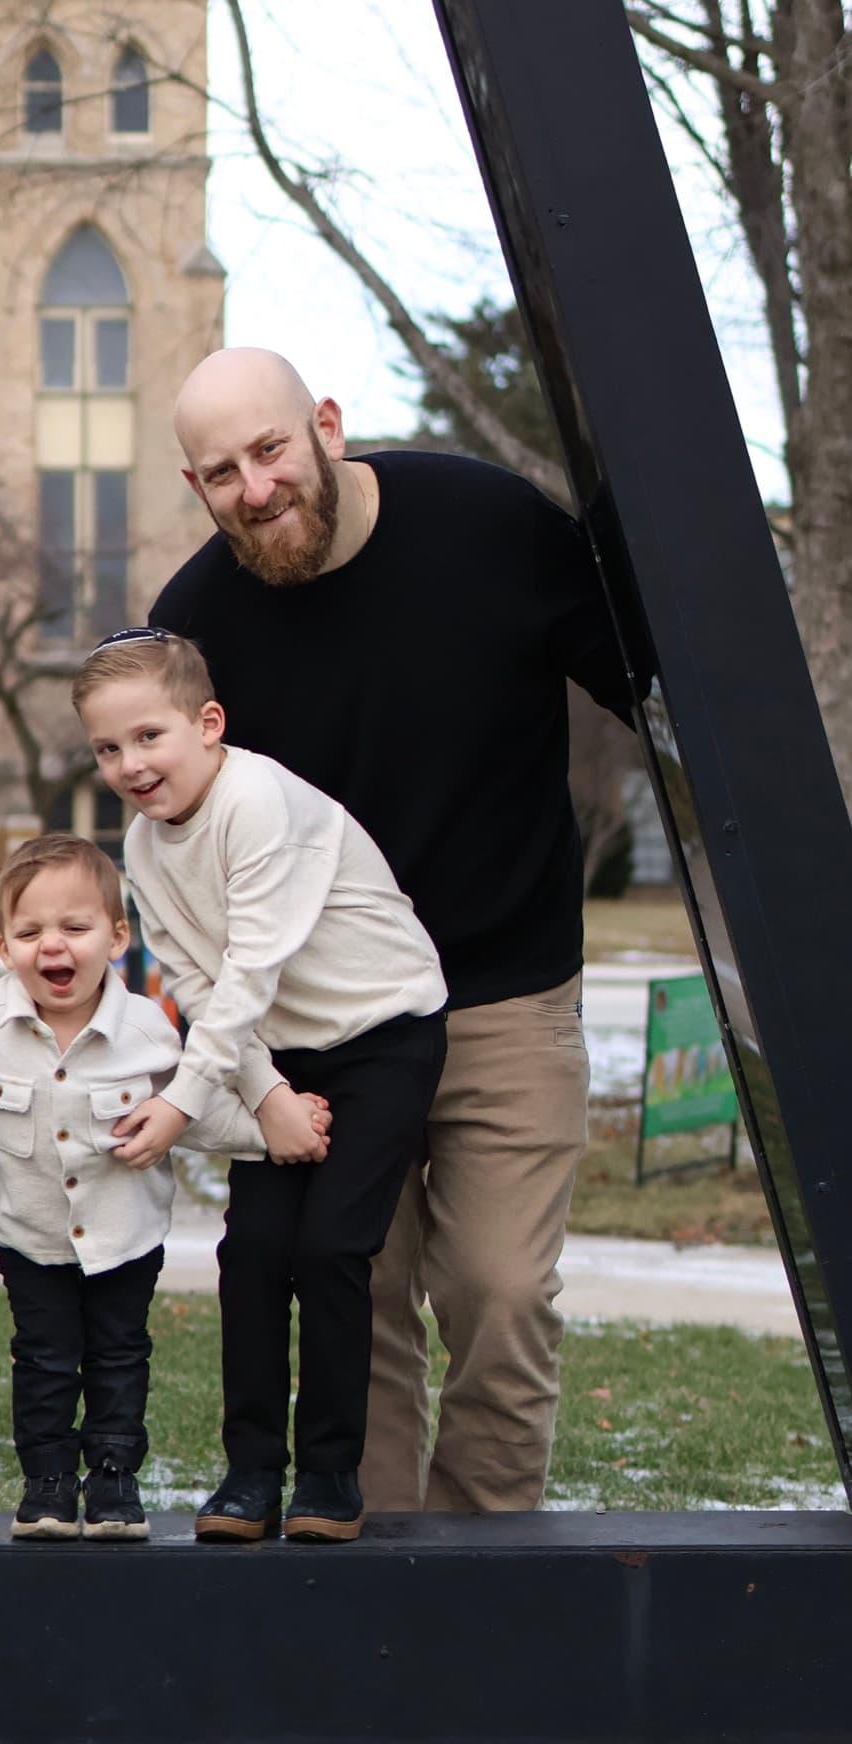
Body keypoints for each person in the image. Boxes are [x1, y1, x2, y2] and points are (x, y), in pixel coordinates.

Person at [151, 346, 638, 1514]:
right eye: (221, 473)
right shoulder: (194, 622)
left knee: (498, 1290)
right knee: (350, 1293)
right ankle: (367, 1573)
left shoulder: (488, 524)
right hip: (324, 1015)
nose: (254, 487)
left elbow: (647, 680)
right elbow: (183, 845)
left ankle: (479, 1570)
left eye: (269, 450)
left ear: (325, 423)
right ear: (194, 486)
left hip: (500, 989)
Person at [73, 631, 447, 1543]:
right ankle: (249, 1475)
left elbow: (251, 970)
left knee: (329, 1251)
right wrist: (268, 1097)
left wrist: (187, 1103)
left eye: (149, 737)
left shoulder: (257, 802)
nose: (130, 764)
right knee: (249, 1260)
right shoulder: (143, 845)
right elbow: (198, 987)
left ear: (208, 725)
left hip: (383, 1034)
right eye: (107, 748)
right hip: (272, 1054)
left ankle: (328, 1474)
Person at [0, 832, 291, 1544]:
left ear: (115, 936)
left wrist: (273, 1128)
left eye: (74, 928)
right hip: (28, 1233)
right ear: (3, 945)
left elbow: (192, 1111)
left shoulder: (146, 1029)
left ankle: (113, 1480)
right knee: (42, 1359)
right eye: (29, 931)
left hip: (126, 1234)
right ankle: (46, 1484)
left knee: (118, 1356)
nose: (53, 946)